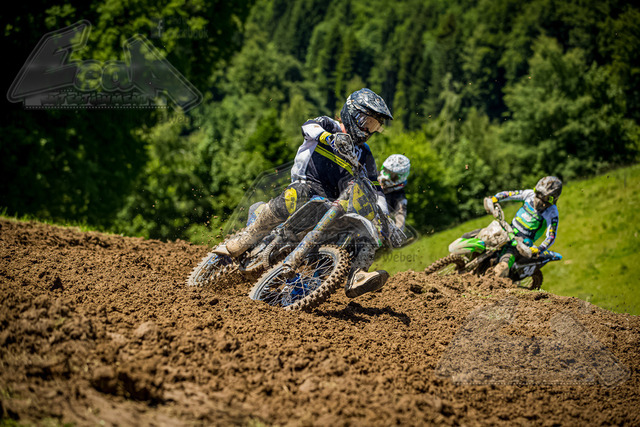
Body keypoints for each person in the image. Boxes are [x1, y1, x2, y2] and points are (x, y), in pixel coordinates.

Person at [215, 88, 394, 298]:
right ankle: (246, 238)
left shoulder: (365, 153)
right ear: (351, 113)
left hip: (334, 205)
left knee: (365, 232)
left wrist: (384, 216)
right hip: (307, 187)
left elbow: (375, 188)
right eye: (366, 122)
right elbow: (309, 127)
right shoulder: (328, 125)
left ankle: (356, 275)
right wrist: (329, 138)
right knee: (296, 195)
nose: (367, 130)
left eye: (373, 125)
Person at [483, 176, 562, 278]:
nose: (539, 200)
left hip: (522, 242)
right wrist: (495, 198)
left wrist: (539, 249)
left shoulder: (552, 212)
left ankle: (495, 281)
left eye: (545, 198)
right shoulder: (529, 194)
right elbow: (510, 194)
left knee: (502, 267)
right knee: (480, 235)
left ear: (553, 199)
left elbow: (551, 236)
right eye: (538, 193)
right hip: (507, 229)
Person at [379, 154, 410, 230]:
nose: (387, 175)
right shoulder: (372, 177)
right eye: (386, 170)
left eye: (392, 174)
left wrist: (396, 230)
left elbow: (400, 217)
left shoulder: (399, 196)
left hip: (376, 226)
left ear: (400, 177)